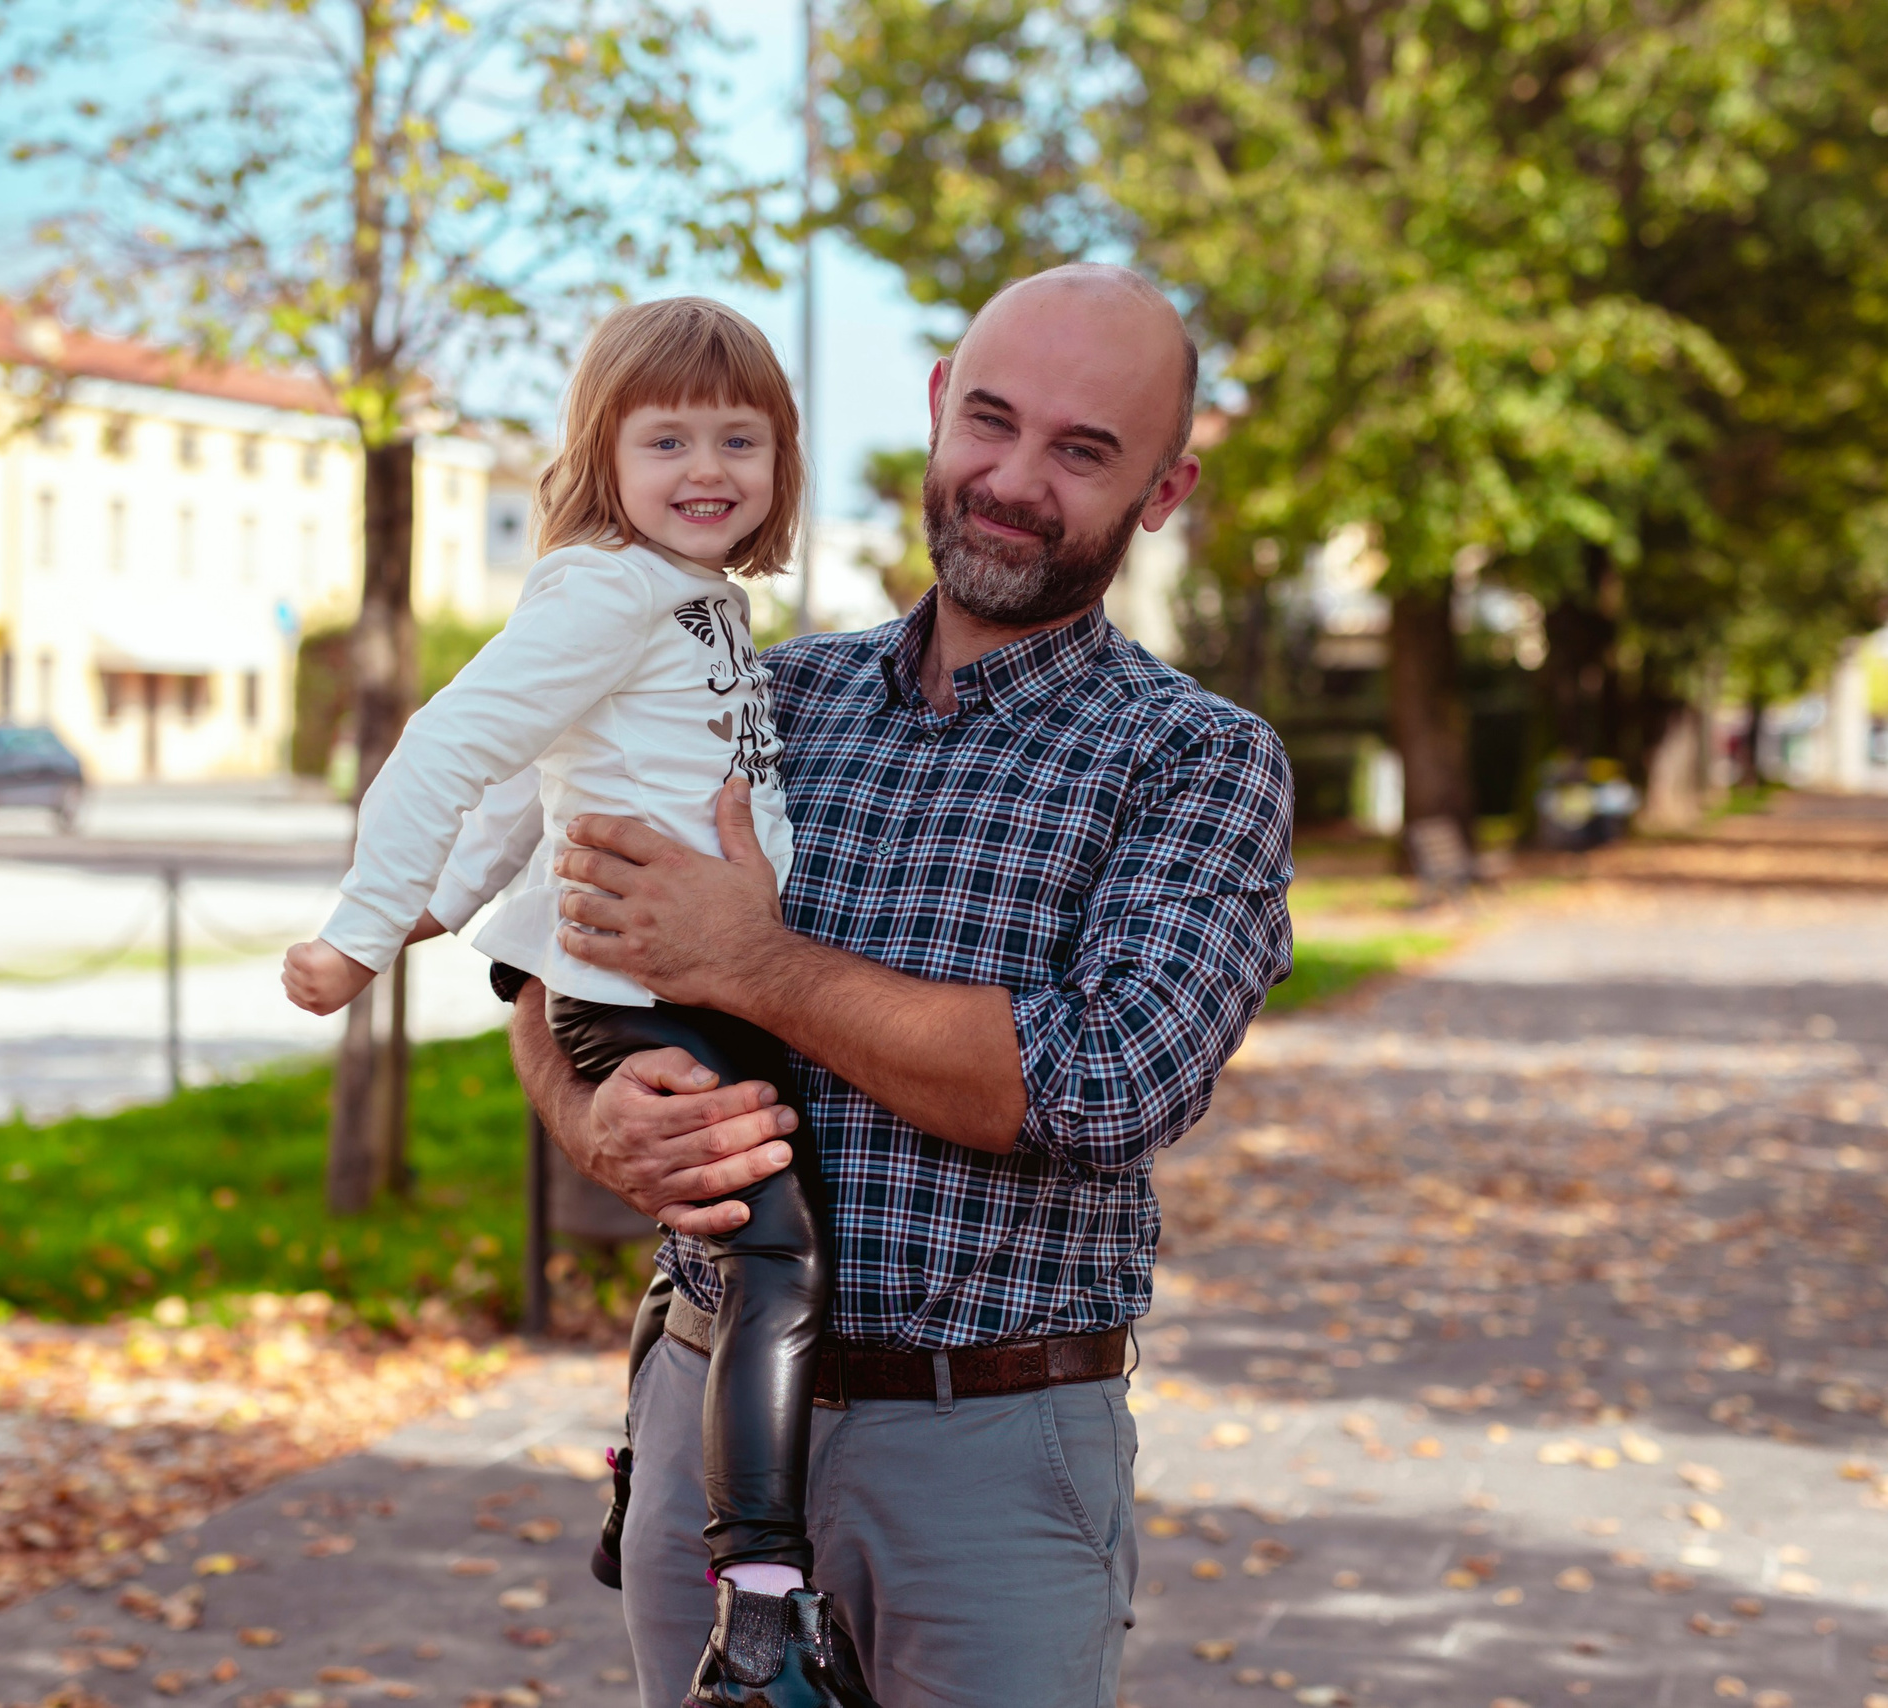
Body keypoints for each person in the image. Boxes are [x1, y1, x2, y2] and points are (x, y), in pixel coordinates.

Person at [471, 263, 1295, 1706]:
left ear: (1164, 492)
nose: (1014, 479)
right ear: (934, 410)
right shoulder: (755, 696)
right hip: (704, 1418)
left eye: (1083, 451)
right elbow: (548, 964)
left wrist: (753, 964)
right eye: (991, 420)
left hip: (987, 1455)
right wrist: (589, 1119)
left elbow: (1103, 1086)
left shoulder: (1197, 759)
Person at [277, 297, 875, 1708]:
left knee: (743, 1255)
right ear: (601, 459)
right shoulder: (607, 588)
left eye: (742, 436)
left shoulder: (694, 596)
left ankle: (652, 1485)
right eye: (664, 437)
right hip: (636, 989)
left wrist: (444, 903)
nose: (707, 465)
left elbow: (534, 794)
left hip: (705, 979)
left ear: (786, 458)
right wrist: (366, 931)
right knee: (778, 1261)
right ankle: (765, 1604)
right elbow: (453, 744)